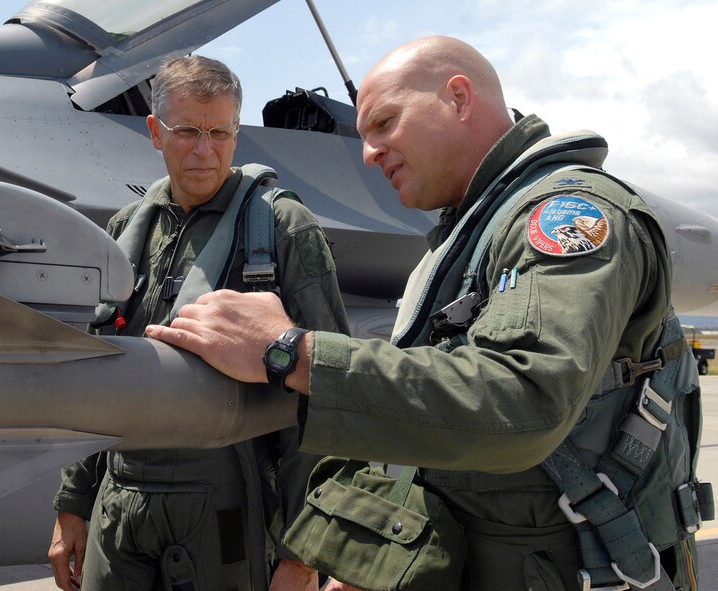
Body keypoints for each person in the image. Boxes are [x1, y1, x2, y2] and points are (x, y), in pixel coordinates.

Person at [145, 37, 705, 590]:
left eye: (385, 123)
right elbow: (434, 416)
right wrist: (351, 549)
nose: (368, 153)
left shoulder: (565, 217)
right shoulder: (474, 230)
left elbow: (523, 399)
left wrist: (291, 349)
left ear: (458, 98)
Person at [48, 55, 349, 591]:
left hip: (228, 502)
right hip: (121, 497)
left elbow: (328, 391)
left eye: (220, 132)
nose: (204, 150)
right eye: (187, 131)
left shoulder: (282, 229)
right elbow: (95, 372)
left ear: (237, 134)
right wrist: (73, 503)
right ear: (154, 132)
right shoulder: (125, 233)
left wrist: (303, 552)